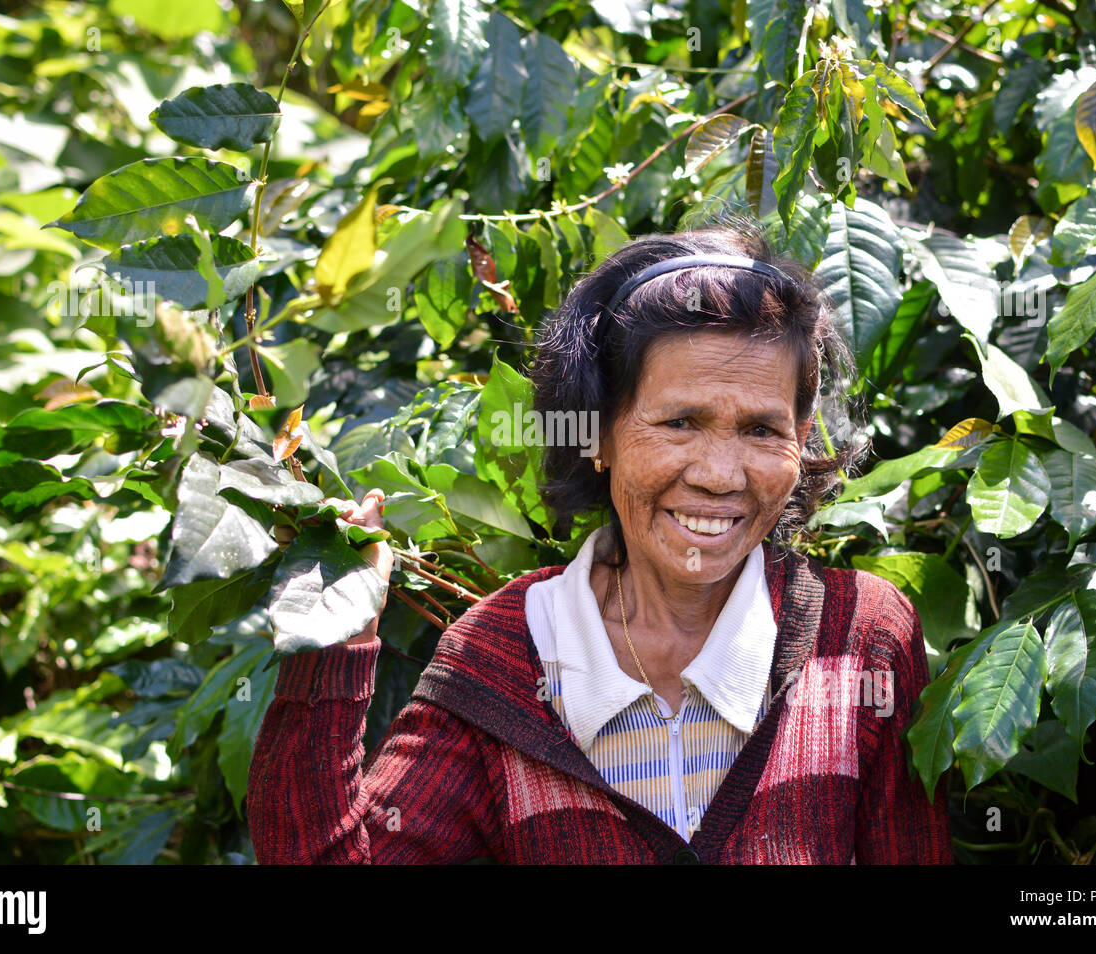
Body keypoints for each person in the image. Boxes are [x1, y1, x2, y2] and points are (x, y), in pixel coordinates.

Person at [247, 218, 954, 864]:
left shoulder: (860, 637)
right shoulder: (506, 658)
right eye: (678, 422)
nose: (718, 474)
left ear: (803, 440)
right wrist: (333, 639)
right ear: (598, 434)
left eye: (762, 430)